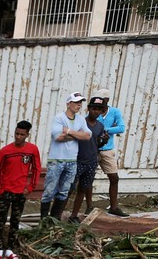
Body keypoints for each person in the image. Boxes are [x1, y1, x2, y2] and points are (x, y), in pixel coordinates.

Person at [0, 120, 41, 259]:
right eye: (16, 133)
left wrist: (30, 187)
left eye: (22, 134)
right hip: (5, 190)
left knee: (15, 219)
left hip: (21, 191)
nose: (18, 137)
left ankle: (10, 248)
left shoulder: (32, 150)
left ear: (27, 135)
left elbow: (37, 169)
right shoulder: (5, 151)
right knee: (1, 220)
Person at [41, 92, 90, 225]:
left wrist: (69, 131)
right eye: (76, 102)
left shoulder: (80, 119)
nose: (79, 105)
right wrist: (77, 135)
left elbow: (87, 136)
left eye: (80, 102)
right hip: (56, 160)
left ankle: (54, 220)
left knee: (64, 191)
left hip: (72, 160)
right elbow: (58, 137)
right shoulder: (59, 118)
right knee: (49, 191)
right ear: (68, 103)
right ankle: (44, 221)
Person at [69, 98, 108, 223]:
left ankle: (73, 216)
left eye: (99, 110)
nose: (96, 112)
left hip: (91, 162)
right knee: (68, 189)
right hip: (77, 160)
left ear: (101, 112)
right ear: (88, 109)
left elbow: (97, 144)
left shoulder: (100, 126)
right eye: (93, 109)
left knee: (83, 189)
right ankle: (57, 215)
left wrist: (104, 141)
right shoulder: (80, 122)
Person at [92, 88, 127, 216]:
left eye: (102, 101)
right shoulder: (94, 112)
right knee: (88, 178)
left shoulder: (114, 112)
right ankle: (89, 206)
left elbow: (121, 128)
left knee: (114, 177)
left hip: (107, 149)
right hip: (94, 149)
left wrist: (103, 129)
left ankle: (113, 207)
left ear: (107, 101)